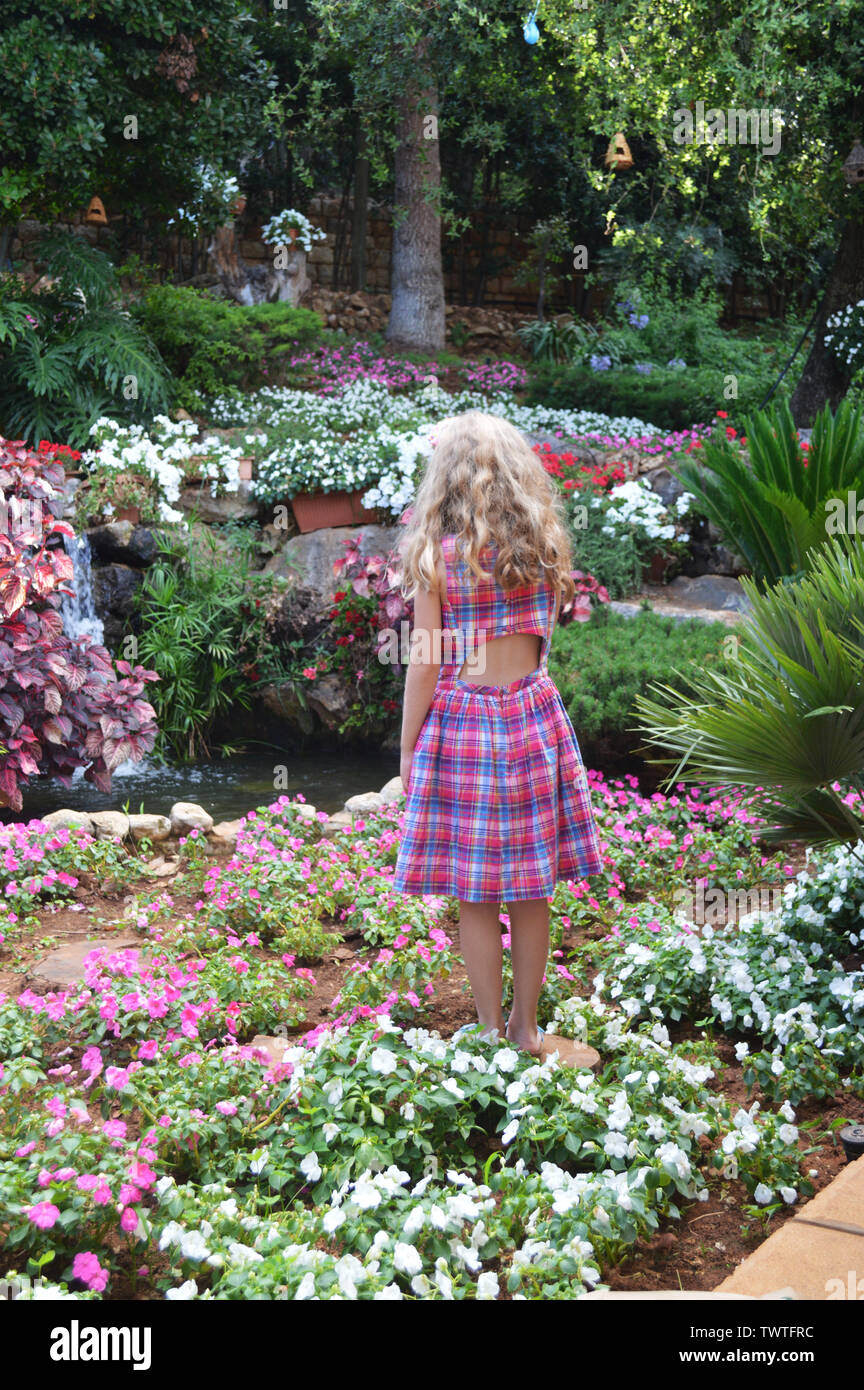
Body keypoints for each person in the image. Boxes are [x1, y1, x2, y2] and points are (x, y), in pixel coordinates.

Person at [393, 410, 604, 1057]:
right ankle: (527, 1028)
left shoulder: (439, 555)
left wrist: (407, 748)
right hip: (536, 718)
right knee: (531, 888)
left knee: (476, 894)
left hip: (467, 724)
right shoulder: (542, 549)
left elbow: (426, 658)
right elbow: (544, 640)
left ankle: (487, 1032)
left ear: (445, 481)